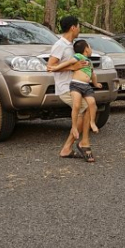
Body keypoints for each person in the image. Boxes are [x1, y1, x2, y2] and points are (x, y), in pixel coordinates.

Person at [47, 16, 92, 162]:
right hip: (65, 87)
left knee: (87, 110)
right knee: (85, 109)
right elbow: (50, 67)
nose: (79, 29)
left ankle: (74, 145)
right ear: (73, 27)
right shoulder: (60, 45)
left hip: (76, 86)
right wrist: (73, 67)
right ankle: (73, 145)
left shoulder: (71, 45)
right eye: (78, 26)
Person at [49, 39, 102, 136]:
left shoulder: (90, 61)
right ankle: (74, 127)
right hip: (76, 85)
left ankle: (92, 122)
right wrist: (56, 67)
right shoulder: (79, 56)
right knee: (77, 105)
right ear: (86, 49)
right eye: (90, 47)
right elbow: (68, 62)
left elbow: (93, 74)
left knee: (92, 104)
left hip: (86, 86)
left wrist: (96, 83)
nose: (91, 49)